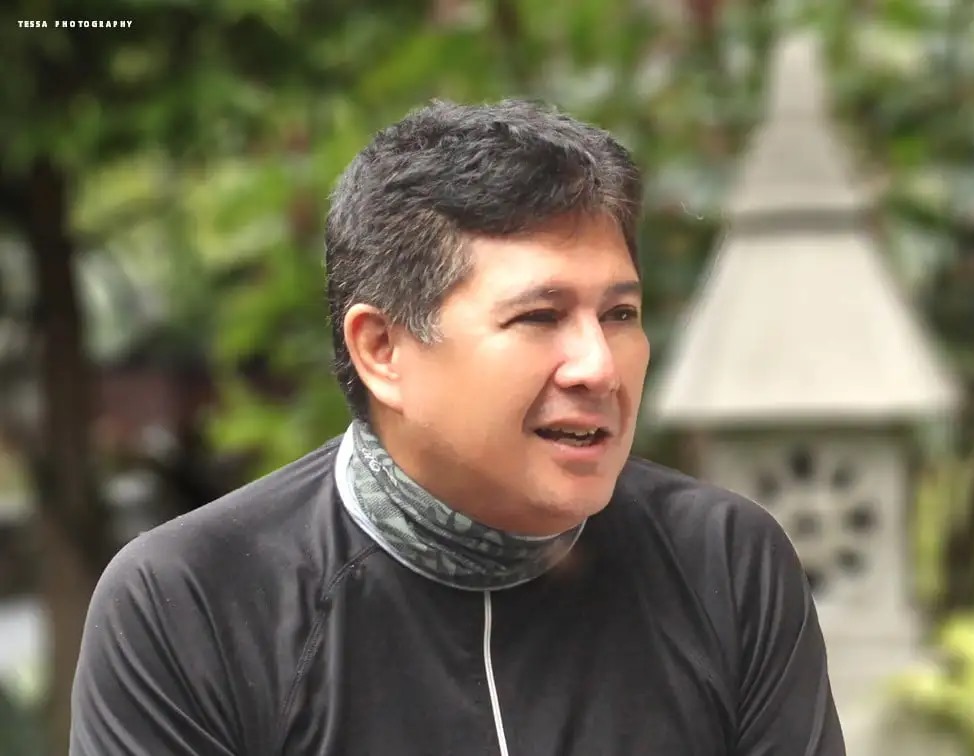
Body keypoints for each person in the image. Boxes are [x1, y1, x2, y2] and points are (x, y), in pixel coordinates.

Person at [70, 99, 845, 755]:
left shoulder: (723, 564)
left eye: (619, 314)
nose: (599, 368)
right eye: (539, 316)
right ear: (382, 349)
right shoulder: (191, 604)